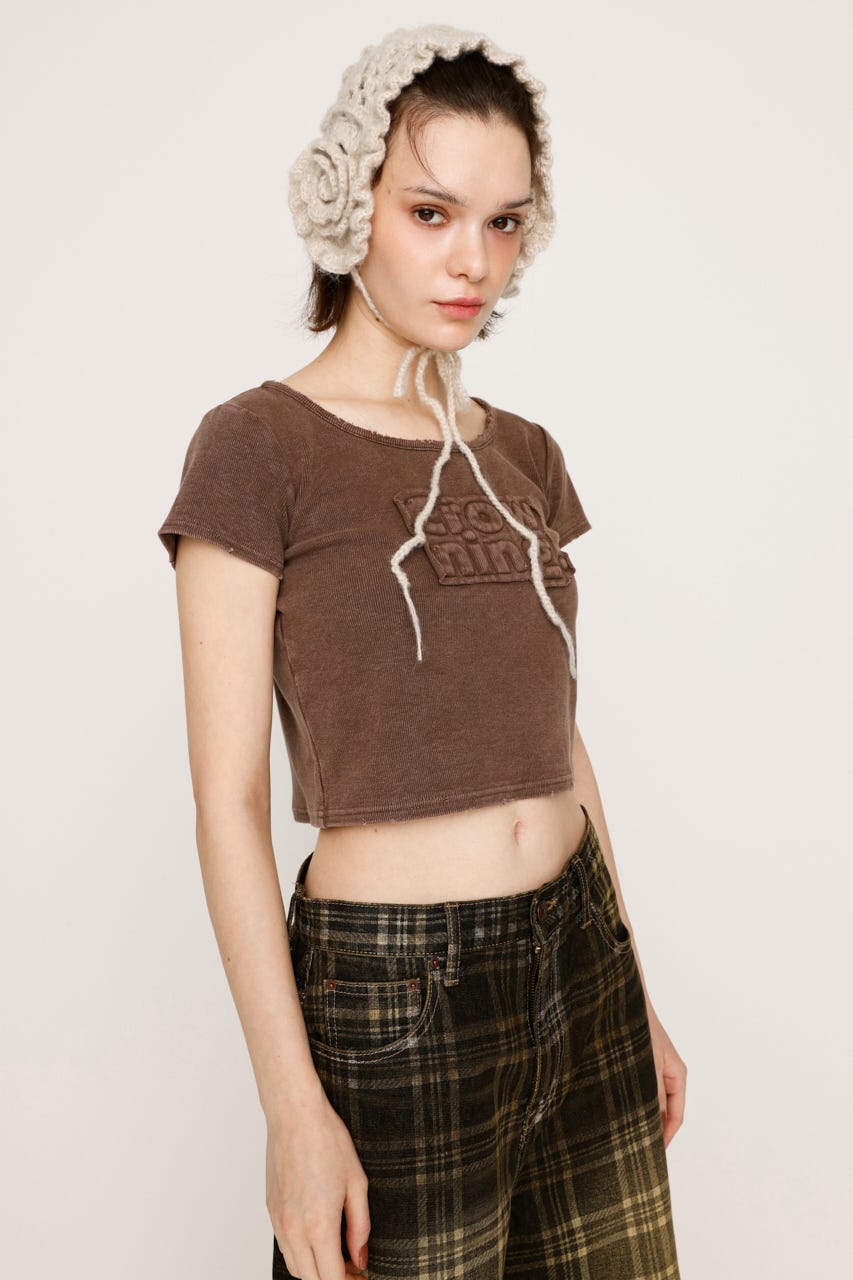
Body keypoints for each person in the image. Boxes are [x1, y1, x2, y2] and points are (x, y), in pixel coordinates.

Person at [156, 23, 686, 1280]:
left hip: (578, 961)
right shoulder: (258, 447)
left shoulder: (524, 454)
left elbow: (554, 742)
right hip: (398, 995)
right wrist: (292, 1107)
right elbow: (227, 804)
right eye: (431, 212)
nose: (472, 261)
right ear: (354, 202)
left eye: (504, 223)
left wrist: (631, 990)